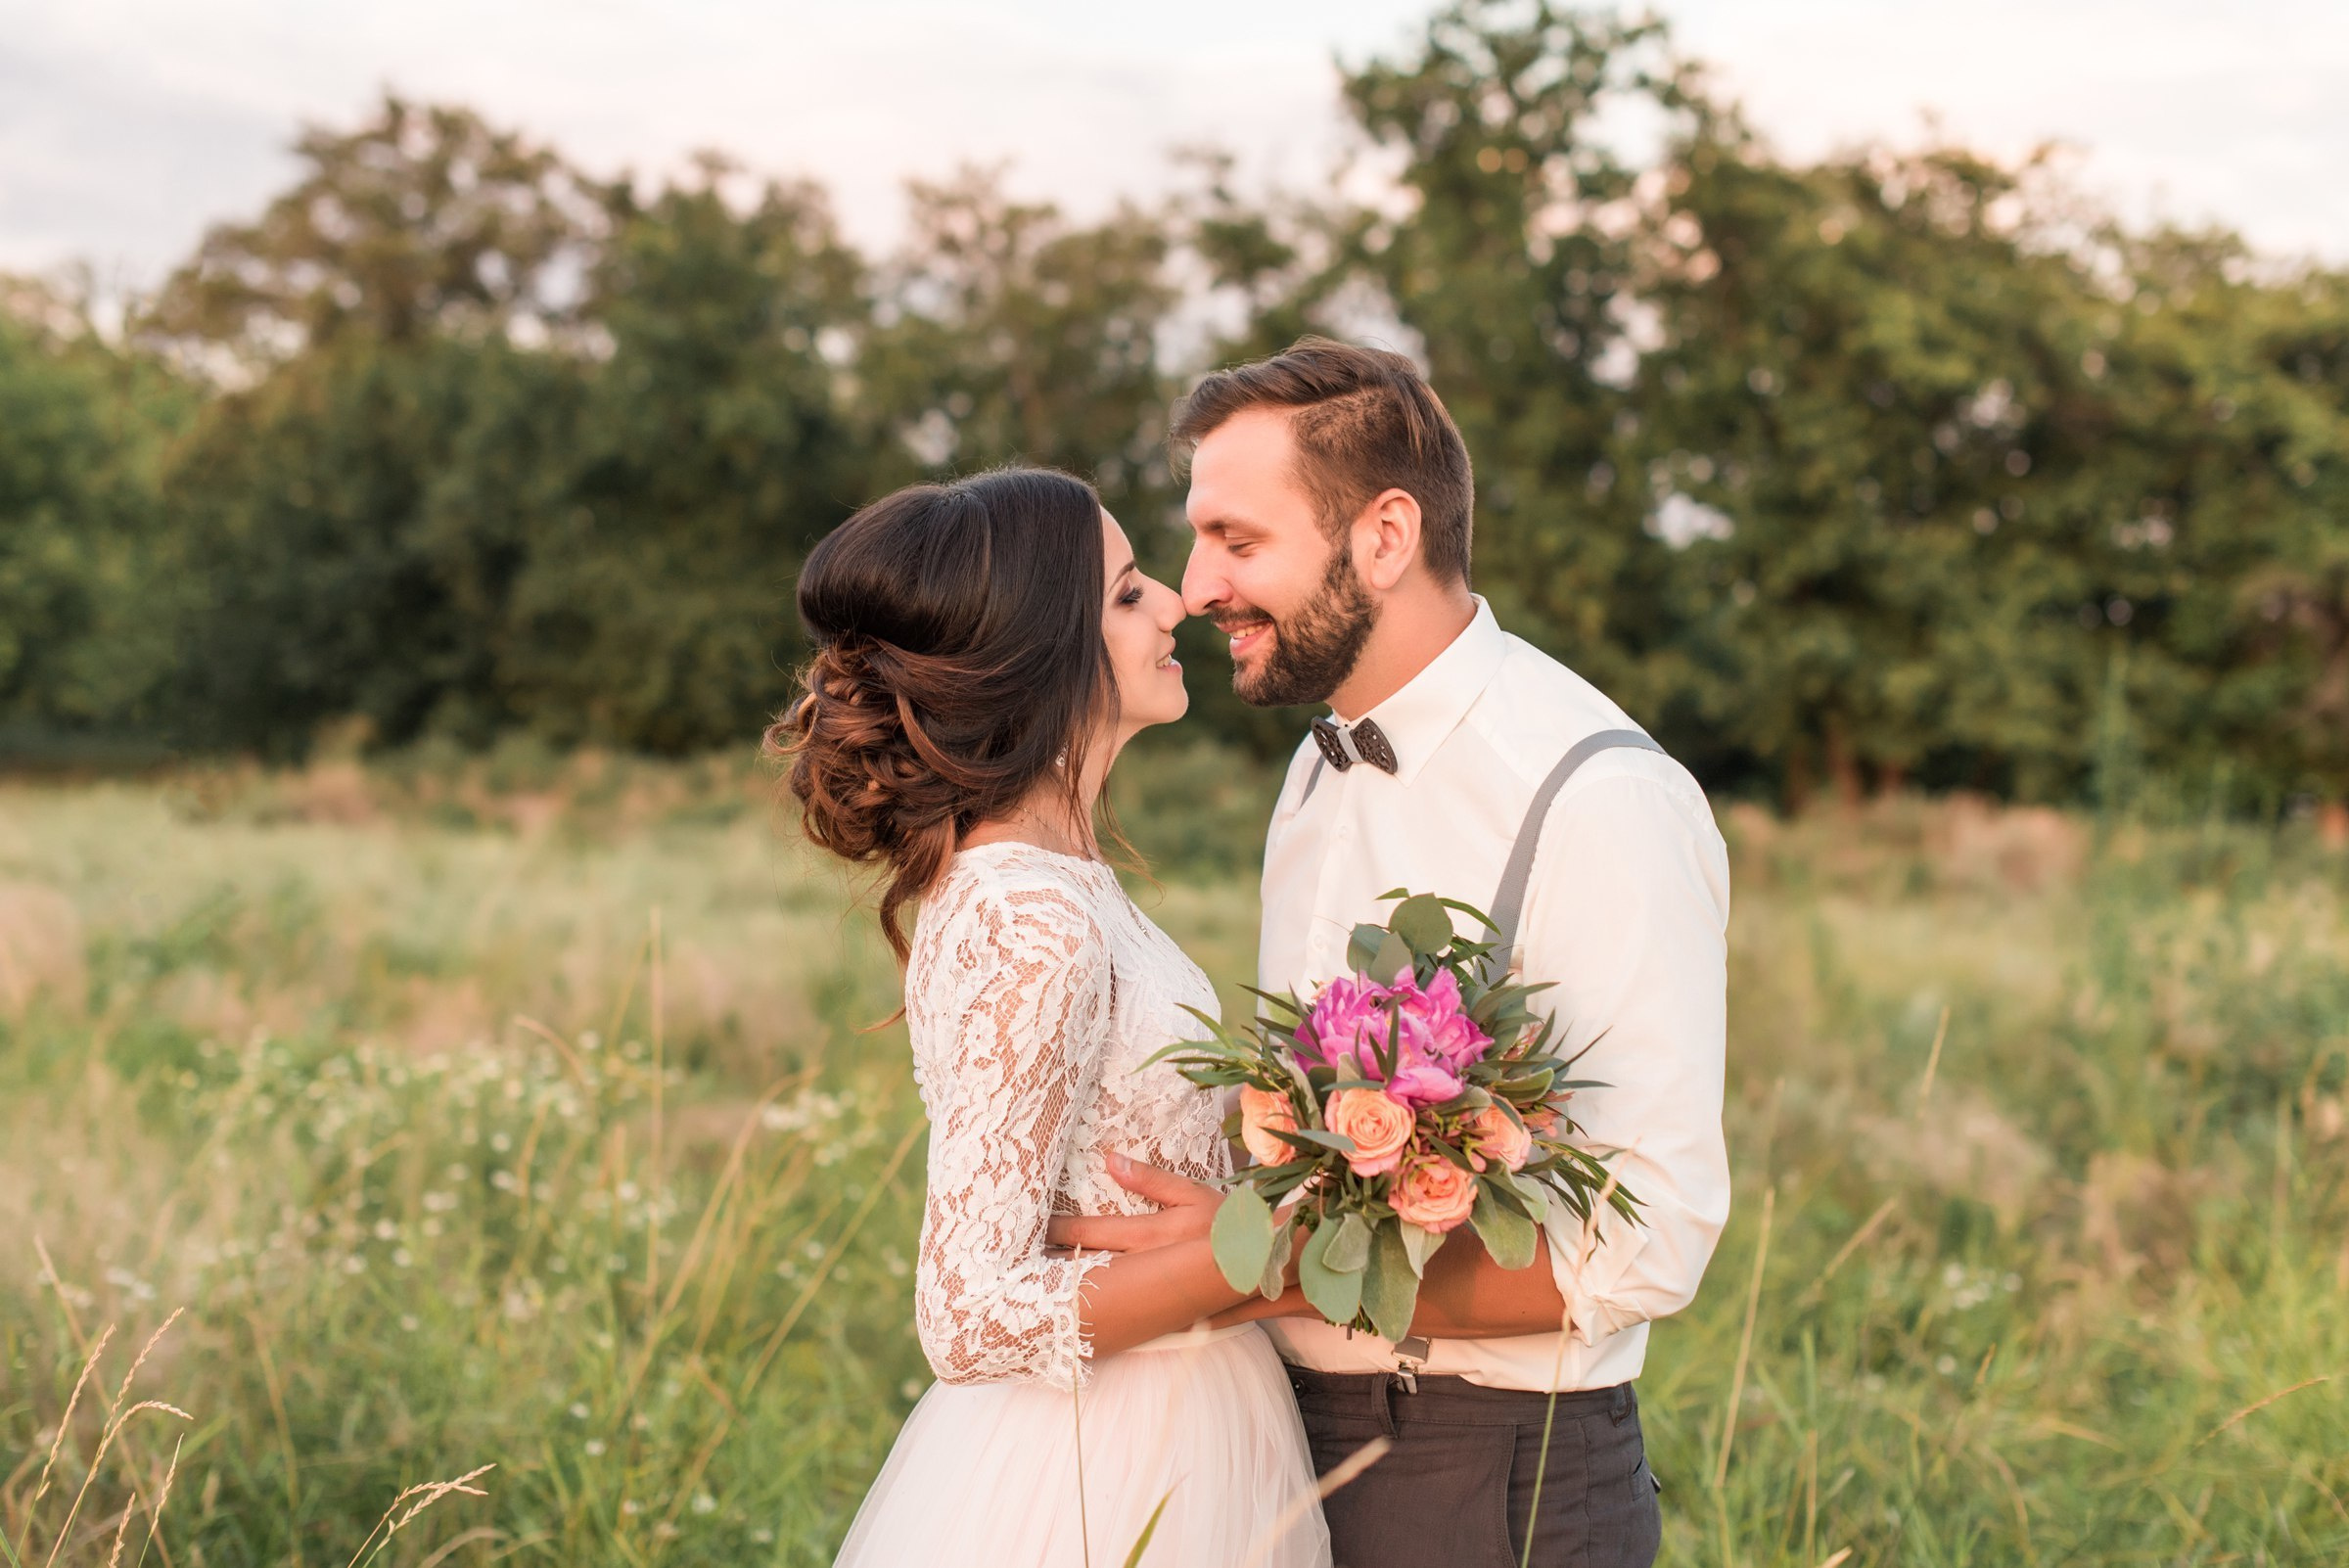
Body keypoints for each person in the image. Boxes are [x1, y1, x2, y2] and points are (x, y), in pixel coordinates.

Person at [1075, 339, 1732, 1567]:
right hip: (1279, 1438)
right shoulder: (1313, 771)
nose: (1196, 584)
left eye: (1237, 539)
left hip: (1481, 1472)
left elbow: (1650, 1242)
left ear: (1385, 536)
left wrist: (1241, 1271)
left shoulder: (1600, 795)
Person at [771, 468, 1330, 1568]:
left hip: (1185, 1410)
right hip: (1102, 1459)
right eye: (1128, 593)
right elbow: (968, 1313)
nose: (1175, 602)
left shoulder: (1061, 882)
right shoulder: (1033, 917)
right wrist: (1258, 1255)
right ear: (1041, 650)